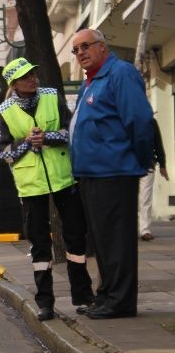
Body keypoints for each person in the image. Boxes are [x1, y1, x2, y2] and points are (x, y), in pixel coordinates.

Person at [0, 57, 94, 322]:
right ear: (14, 84)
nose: (33, 79)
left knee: (75, 238)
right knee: (39, 244)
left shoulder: (52, 96)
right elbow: (0, 151)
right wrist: (27, 143)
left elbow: (73, 130)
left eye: (34, 74)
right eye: (26, 77)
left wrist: (47, 137)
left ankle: (83, 298)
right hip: (30, 186)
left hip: (63, 178)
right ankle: (45, 303)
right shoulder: (3, 110)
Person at [69, 28, 154, 319]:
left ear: (102, 47)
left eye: (85, 46)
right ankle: (107, 294)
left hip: (114, 172)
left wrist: (140, 160)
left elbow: (139, 120)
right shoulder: (90, 82)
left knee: (117, 241)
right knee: (103, 243)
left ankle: (121, 302)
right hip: (92, 173)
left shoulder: (120, 73)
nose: (80, 53)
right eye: (76, 49)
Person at [138, 119, 168, 241]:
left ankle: (144, 229)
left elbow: (158, 143)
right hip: (128, 166)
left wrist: (162, 164)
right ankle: (129, 229)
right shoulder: (124, 118)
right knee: (129, 199)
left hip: (147, 165)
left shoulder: (150, 121)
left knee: (145, 198)